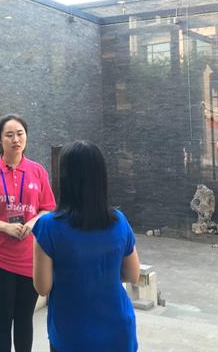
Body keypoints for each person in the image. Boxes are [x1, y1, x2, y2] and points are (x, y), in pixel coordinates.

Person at [32, 140, 140, 352]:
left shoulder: (48, 226)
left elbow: (42, 287)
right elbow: (133, 274)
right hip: (118, 332)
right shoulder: (119, 221)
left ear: (65, 178)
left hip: (72, 335)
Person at [0, 114, 57, 352]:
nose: (15, 139)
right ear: (0, 139)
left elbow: (48, 208)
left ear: (26, 137)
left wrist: (33, 222)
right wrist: (5, 227)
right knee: (2, 316)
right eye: (9, 135)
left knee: (24, 317)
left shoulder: (37, 171)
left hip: (30, 257)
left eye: (20, 134)